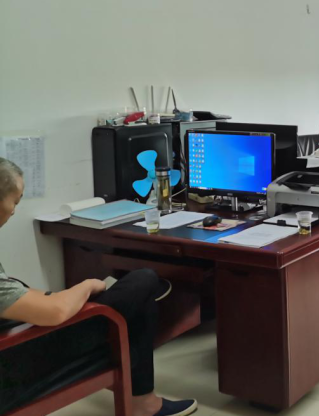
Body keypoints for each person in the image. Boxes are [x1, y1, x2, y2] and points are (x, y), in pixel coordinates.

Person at [0, 157, 198, 416]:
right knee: (143, 283)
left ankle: (144, 402)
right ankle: (144, 403)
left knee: (135, 296)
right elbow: (54, 313)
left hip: (14, 342)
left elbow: (15, 293)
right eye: (15, 202)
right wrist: (85, 286)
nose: (14, 211)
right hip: (14, 364)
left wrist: (60, 296)